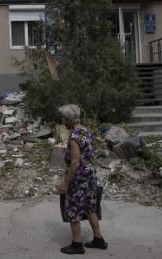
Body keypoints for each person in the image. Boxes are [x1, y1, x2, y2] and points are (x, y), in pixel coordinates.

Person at [57, 104, 108, 255]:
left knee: (73, 210)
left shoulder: (74, 137)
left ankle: (77, 244)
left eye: (64, 118)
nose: (62, 120)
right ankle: (99, 239)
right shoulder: (85, 131)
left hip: (79, 180)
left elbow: (75, 162)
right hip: (90, 177)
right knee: (89, 207)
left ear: (68, 119)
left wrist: (66, 183)